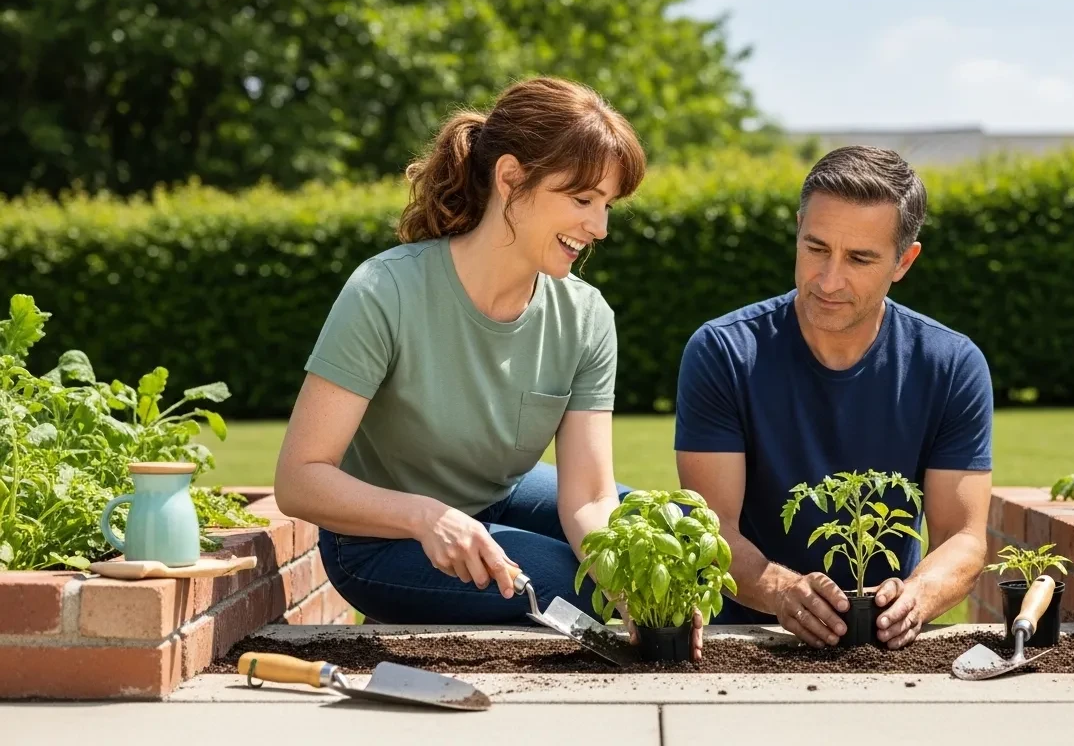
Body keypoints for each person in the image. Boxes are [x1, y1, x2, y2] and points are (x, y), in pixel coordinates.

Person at [274, 77, 703, 658]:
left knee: (668, 540)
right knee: (561, 580)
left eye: (607, 205)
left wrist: (630, 582)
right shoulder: (386, 291)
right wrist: (428, 517)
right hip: (378, 538)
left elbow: (589, 498)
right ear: (509, 179)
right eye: (582, 200)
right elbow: (300, 479)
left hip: (498, 495)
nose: (599, 228)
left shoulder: (586, 316)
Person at [673, 145, 993, 650]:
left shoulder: (951, 365)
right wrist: (781, 591)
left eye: (860, 258)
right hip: (740, 636)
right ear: (798, 229)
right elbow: (714, 531)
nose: (828, 279)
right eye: (816, 247)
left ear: (903, 262)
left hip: (885, 641)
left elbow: (964, 538)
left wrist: (919, 596)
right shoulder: (724, 352)